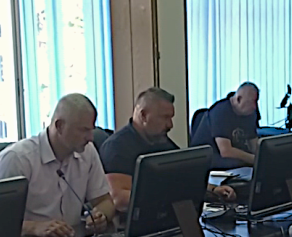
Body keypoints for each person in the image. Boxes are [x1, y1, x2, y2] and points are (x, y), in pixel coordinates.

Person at [0, 93, 115, 237]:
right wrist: (34, 227)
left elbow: (105, 201)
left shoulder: (87, 152)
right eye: (83, 130)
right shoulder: (17, 159)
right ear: (59, 126)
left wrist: (101, 216)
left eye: (91, 130)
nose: (90, 138)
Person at [99, 87, 234, 212]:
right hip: (135, 222)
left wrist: (212, 190)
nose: (170, 125)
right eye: (164, 118)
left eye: (171, 118)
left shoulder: (160, 141)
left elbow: (185, 176)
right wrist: (168, 197)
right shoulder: (116, 147)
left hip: (165, 217)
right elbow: (118, 198)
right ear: (143, 115)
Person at [190, 82, 260, 169]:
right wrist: (255, 159)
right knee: (242, 163)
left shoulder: (249, 114)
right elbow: (226, 151)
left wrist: (262, 157)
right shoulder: (220, 112)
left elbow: (254, 145)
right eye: (252, 102)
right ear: (239, 99)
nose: (254, 107)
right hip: (208, 160)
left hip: (231, 160)